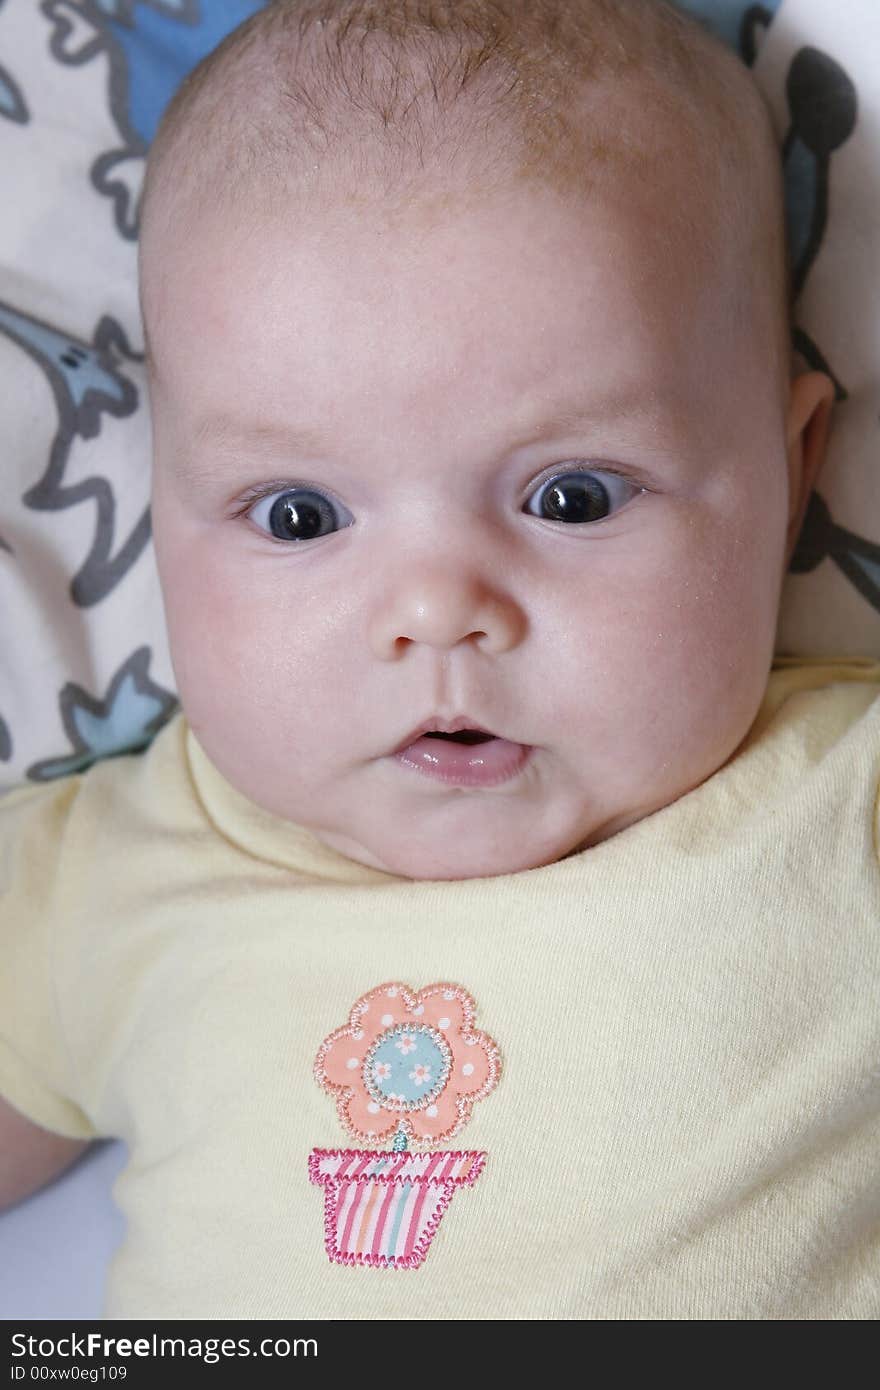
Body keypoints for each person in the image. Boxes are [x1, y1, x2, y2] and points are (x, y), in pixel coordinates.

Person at [1, 0, 878, 1318]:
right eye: (298, 515)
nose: (437, 614)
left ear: (792, 467)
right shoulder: (93, 877)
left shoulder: (841, 804)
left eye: (573, 496)